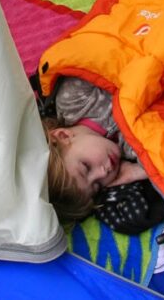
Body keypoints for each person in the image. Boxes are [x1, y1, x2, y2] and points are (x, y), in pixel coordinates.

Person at [44, 77, 148, 221]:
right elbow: (162, 161)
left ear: (63, 136)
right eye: (98, 185)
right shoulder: (129, 147)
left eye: (86, 167)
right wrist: (135, 172)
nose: (104, 172)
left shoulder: (73, 102)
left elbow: (93, 59)